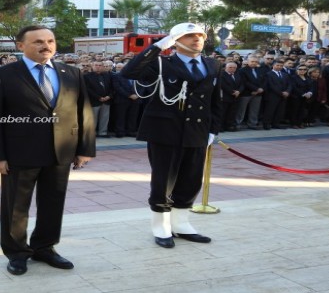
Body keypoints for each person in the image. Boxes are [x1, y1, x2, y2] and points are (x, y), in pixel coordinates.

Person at [0, 25, 95, 276]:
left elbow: (83, 112)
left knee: (53, 202)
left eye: (51, 40)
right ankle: (17, 252)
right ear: (20, 46)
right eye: (38, 41)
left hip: (61, 151)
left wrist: (85, 148)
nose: (47, 46)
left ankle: (45, 247)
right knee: (16, 207)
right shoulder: (2, 75)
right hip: (19, 153)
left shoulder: (71, 72)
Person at [121, 22, 221, 249]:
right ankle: (161, 226)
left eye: (199, 36)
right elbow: (129, 72)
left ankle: (181, 224)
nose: (196, 39)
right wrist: (157, 47)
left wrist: (213, 129)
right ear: (175, 40)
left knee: (191, 179)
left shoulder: (212, 64)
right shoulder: (161, 62)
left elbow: (215, 100)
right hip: (165, 130)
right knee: (164, 181)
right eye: (189, 36)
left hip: (197, 130)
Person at [84, 61, 113, 137]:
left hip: (107, 100)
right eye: (96, 65)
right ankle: (91, 133)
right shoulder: (87, 76)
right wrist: (98, 97)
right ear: (92, 66)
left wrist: (109, 96)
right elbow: (88, 89)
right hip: (94, 100)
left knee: (105, 118)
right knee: (93, 118)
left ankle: (103, 132)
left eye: (100, 65)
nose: (98, 66)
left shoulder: (107, 75)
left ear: (103, 66)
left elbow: (112, 87)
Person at [262, 60, 291, 130]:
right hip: (272, 96)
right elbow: (271, 85)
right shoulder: (268, 74)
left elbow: (289, 84)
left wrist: (287, 91)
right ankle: (267, 124)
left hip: (284, 96)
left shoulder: (285, 74)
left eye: (281, 66)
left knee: (280, 110)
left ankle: (276, 123)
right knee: (270, 110)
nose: (279, 67)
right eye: (277, 65)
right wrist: (281, 93)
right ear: (273, 65)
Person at [218, 61, 243, 132]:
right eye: (230, 67)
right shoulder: (222, 75)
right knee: (223, 113)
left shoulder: (238, 74)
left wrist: (239, 91)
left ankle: (229, 126)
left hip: (236, 97)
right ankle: (221, 127)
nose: (232, 69)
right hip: (225, 97)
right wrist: (232, 92)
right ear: (225, 68)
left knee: (232, 113)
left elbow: (242, 84)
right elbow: (223, 85)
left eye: (234, 67)